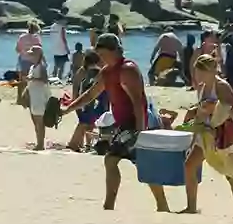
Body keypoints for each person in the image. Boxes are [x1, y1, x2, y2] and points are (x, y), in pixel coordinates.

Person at [62, 34, 167, 211]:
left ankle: (110, 205)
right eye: (99, 55)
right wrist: (68, 109)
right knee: (133, 163)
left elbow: (137, 101)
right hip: (123, 125)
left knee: (113, 160)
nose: (101, 59)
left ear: (115, 51)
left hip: (135, 123)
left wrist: (140, 131)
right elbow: (91, 94)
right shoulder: (107, 72)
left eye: (103, 54)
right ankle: (161, 205)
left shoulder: (127, 70)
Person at [183, 54, 233, 216]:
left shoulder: (221, 86)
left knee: (231, 175)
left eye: (199, 72)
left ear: (209, 71)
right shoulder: (203, 86)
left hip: (223, 134)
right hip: (205, 133)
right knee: (189, 165)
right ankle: (191, 207)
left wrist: (217, 111)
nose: (197, 76)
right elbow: (202, 108)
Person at [23, 45, 52, 150]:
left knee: (39, 121)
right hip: (33, 95)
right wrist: (26, 92)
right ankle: (38, 142)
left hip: (40, 96)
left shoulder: (41, 66)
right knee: (35, 120)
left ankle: (40, 144)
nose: (31, 56)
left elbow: (45, 80)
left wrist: (32, 79)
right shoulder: (32, 67)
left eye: (32, 54)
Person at [14, 21, 42, 101]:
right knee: (32, 81)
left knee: (22, 80)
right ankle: (28, 98)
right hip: (33, 62)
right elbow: (39, 51)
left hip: (23, 60)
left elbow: (17, 49)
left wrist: (23, 52)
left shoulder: (22, 37)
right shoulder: (37, 38)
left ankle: (19, 98)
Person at [45, 13, 71, 80]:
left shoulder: (52, 26)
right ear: (61, 20)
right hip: (61, 48)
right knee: (62, 65)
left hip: (54, 48)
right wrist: (67, 48)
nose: (65, 22)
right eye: (64, 20)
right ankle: (59, 78)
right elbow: (63, 38)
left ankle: (54, 76)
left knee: (56, 65)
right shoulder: (61, 28)